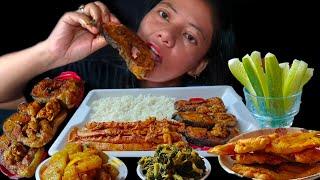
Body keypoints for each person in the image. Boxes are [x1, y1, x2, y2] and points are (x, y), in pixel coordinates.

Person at [0, 0, 234, 112]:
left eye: (190, 36)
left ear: (199, 66)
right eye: (164, 14)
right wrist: (50, 52)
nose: (166, 34)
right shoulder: (85, 79)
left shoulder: (211, 110)